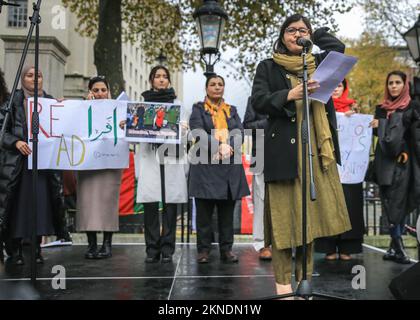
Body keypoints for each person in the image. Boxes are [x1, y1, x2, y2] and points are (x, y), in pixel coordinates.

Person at [251, 14, 351, 296]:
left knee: (309, 220)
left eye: (302, 30)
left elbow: (339, 49)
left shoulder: (318, 64)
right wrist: (288, 95)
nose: (297, 34)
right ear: (282, 36)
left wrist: (315, 34)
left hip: (315, 151)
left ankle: (304, 281)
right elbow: (258, 101)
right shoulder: (268, 66)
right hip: (283, 151)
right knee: (285, 223)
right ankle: (283, 285)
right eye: (291, 30)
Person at [0, 66, 64, 265]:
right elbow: (2, 131)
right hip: (18, 167)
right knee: (17, 207)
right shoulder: (12, 102)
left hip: (43, 166)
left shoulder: (52, 102)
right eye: (30, 75)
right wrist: (16, 142)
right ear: (22, 79)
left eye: (38, 75)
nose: (35, 79)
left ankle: (36, 249)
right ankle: (14, 250)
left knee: (40, 207)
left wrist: (66, 111)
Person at [189, 74, 250, 264]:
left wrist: (229, 146)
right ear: (206, 88)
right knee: (204, 214)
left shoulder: (232, 110)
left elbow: (239, 131)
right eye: (213, 84)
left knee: (226, 214)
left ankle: (227, 249)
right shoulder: (198, 109)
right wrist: (219, 146)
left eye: (220, 84)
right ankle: (204, 250)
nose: (217, 87)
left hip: (229, 167)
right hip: (205, 167)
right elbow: (197, 131)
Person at [135, 65, 189, 263]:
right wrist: (127, 126)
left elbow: (184, 132)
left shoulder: (178, 105)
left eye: (164, 76)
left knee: (170, 205)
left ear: (168, 80)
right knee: (150, 204)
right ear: (151, 80)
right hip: (150, 157)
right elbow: (134, 135)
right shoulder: (141, 105)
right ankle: (151, 249)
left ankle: (167, 249)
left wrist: (183, 128)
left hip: (170, 157)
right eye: (157, 76)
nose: (161, 79)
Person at [369, 70, 420, 264]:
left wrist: (380, 124)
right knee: (389, 204)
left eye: (398, 82)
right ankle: (395, 247)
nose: (393, 86)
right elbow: (380, 137)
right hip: (384, 163)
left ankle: (397, 246)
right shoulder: (381, 108)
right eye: (390, 83)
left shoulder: (411, 106)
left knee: (398, 204)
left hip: (402, 163)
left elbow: (411, 135)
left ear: (404, 84)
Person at [315, 79, 364, 261]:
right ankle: (328, 247)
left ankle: (347, 247)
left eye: (340, 86)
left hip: (349, 170)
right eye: (333, 86)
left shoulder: (354, 109)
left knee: (350, 205)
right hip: (329, 165)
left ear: (345, 88)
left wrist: (357, 120)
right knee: (328, 204)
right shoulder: (320, 108)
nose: (336, 89)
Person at [76, 76, 122, 259]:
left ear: (109, 91)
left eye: (103, 90)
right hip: (88, 163)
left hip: (110, 163)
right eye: (96, 90)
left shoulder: (118, 110)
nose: (100, 93)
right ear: (90, 92)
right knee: (87, 203)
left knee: (108, 202)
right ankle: (92, 244)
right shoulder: (80, 109)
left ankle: (107, 244)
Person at [243, 97, 271, 261]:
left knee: (285, 199)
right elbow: (247, 126)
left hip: (285, 151)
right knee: (261, 201)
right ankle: (263, 244)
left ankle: (284, 243)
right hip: (259, 151)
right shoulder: (254, 99)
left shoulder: (290, 93)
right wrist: (270, 123)